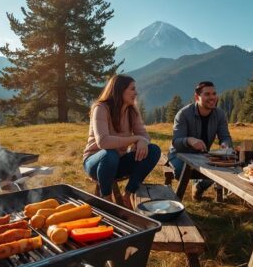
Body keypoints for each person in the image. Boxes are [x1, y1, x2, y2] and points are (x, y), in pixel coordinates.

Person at [83, 74, 161, 209]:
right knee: (110, 154)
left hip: (118, 161)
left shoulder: (132, 110)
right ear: (120, 90)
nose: (136, 93)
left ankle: (128, 195)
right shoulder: (100, 108)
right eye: (132, 89)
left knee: (153, 150)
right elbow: (103, 142)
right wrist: (136, 139)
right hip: (96, 162)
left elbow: (144, 136)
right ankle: (107, 198)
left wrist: (142, 141)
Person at [168, 81, 233, 200]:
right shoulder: (183, 114)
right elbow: (176, 142)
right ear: (197, 97)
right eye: (207, 94)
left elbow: (225, 137)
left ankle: (199, 186)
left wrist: (225, 145)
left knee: (224, 168)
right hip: (179, 154)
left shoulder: (219, 114)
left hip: (202, 154)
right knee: (180, 172)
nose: (212, 97)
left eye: (214, 94)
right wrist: (190, 140)